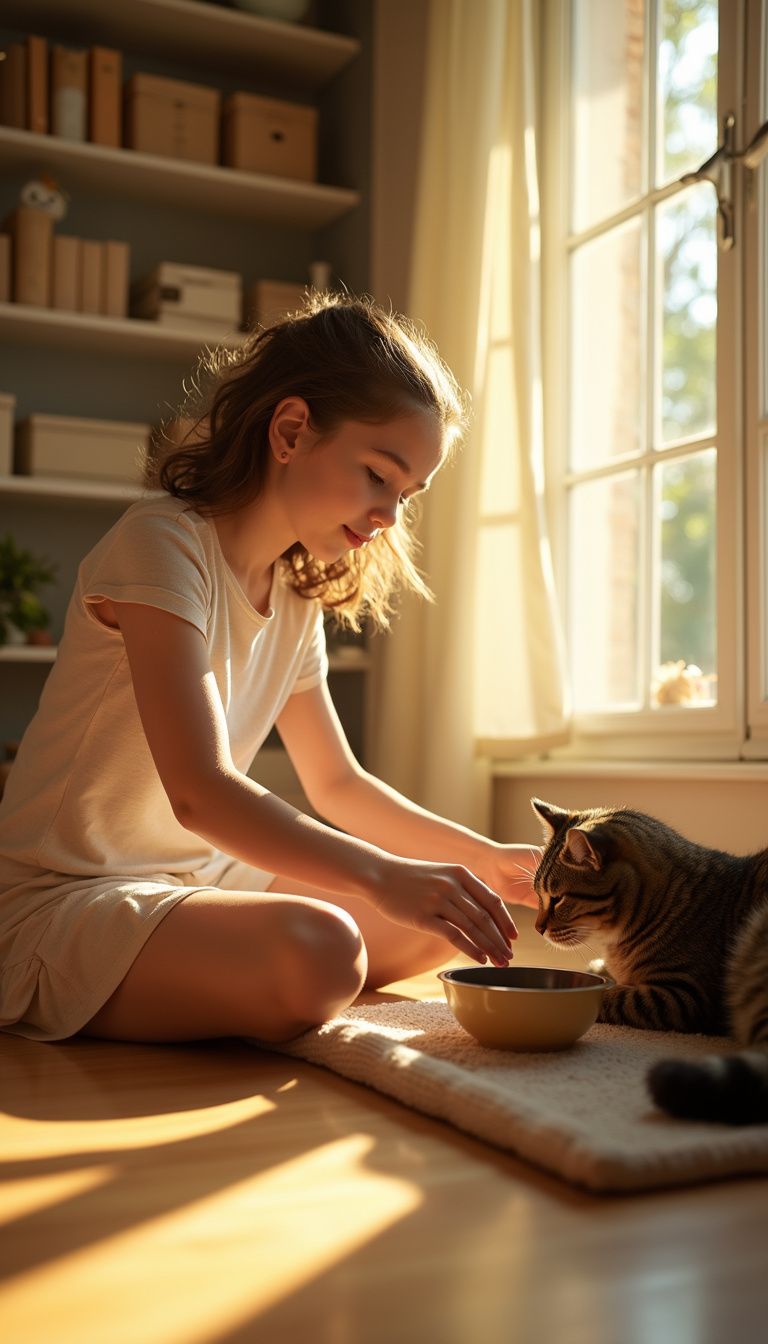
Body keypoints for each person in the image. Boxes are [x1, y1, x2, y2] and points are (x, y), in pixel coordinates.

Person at [0, 293, 541, 1046]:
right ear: (290, 431)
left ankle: (219, 972)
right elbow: (201, 793)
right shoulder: (161, 543)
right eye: (378, 476)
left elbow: (339, 785)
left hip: (201, 881)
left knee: (458, 911)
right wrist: (385, 875)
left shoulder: (294, 593)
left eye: (406, 495)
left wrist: (483, 857)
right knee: (323, 953)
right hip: (65, 899)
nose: (389, 516)